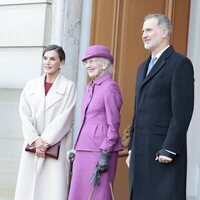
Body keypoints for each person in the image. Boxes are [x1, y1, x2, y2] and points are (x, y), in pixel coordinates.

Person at [126, 14, 194, 200]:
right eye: (142, 31)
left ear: (164, 32)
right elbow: (138, 110)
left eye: (148, 30)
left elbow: (182, 112)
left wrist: (170, 148)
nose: (143, 35)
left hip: (162, 150)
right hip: (140, 149)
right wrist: (131, 147)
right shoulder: (142, 67)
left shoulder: (180, 64)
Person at [14, 44, 76, 200]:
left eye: (53, 59)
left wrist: (45, 141)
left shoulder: (69, 87)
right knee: (27, 189)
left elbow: (65, 118)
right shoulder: (31, 85)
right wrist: (35, 140)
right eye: (45, 58)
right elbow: (24, 114)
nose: (47, 62)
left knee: (51, 190)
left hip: (54, 147)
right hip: (32, 147)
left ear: (61, 62)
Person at [68, 45, 123, 200]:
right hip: (83, 149)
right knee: (79, 193)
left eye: (92, 61)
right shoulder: (89, 87)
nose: (88, 65)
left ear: (104, 64)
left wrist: (105, 153)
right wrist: (75, 148)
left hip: (100, 151)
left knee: (98, 194)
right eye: (86, 62)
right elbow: (86, 120)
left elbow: (114, 123)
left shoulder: (110, 87)